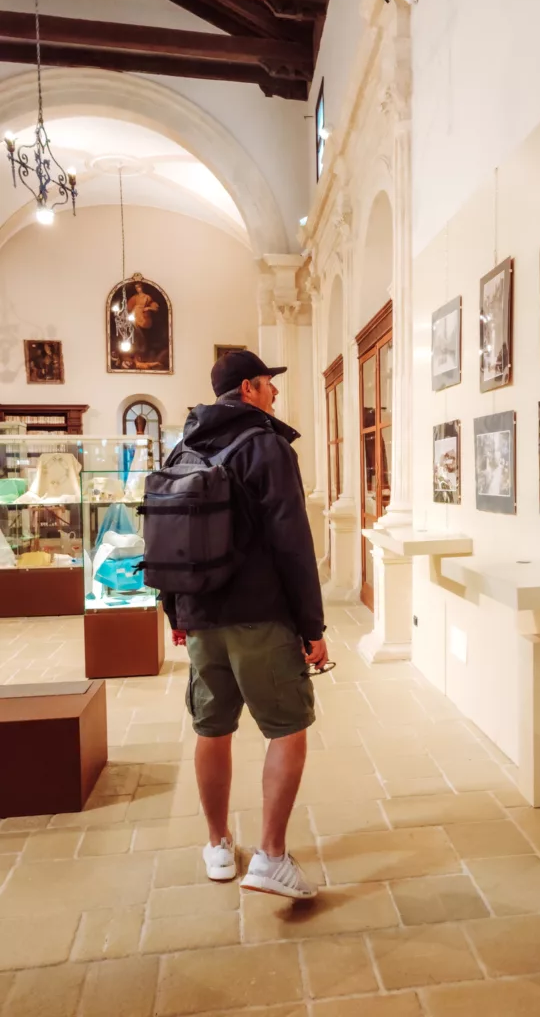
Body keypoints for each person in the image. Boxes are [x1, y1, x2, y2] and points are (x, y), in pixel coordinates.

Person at [163, 350, 327, 899]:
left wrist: (176, 612)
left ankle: (217, 845)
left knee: (212, 728)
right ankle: (271, 857)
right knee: (288, 728)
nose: (275, 393)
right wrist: (312, 625)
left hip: (201, 615)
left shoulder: (182, 446)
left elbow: (165, 534)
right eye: (269, 384)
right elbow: (293, 543)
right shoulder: (266, 447)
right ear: (250, 388)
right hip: (260, 616)